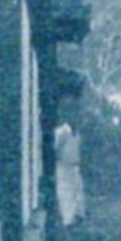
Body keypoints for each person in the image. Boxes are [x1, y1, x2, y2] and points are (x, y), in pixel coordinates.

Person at [52, 95, 86, 229]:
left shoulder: (76, 132)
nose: (76, 116)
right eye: (72, 112)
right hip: (63, 166)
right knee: (65, 193)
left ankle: (78, 216)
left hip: (74, 166)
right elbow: (55, 148)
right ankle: (68, 221)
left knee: (78, 190)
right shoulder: (61, 132)